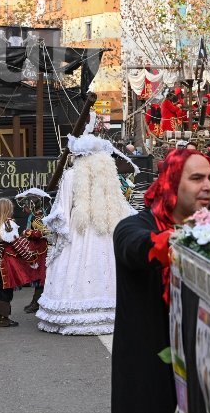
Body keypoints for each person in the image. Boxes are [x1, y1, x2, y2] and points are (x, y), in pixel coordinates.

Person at [112, 148, 210, 413]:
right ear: (171, 181)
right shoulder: (134, 226)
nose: (207, 186)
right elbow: (133, 245)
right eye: (196, 178)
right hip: (149, 372)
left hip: (199, 366)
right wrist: (176, 241)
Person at [36, 139, 133, 334]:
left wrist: (54, 228)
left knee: (74, 267)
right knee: (106, 268)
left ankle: (72, 314)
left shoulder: (71, 175)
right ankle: (111, 311)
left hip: (78, 230)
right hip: (106, 230)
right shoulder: (108, 176)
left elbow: (61, 209)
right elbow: (123, 207)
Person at [0, 198, 37, 328]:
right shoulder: (8, 225)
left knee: (3, 289)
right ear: (9, 210)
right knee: (7, 291)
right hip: (7, 262)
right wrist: (30, 258)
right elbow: (17, 244)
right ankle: (2, 318)